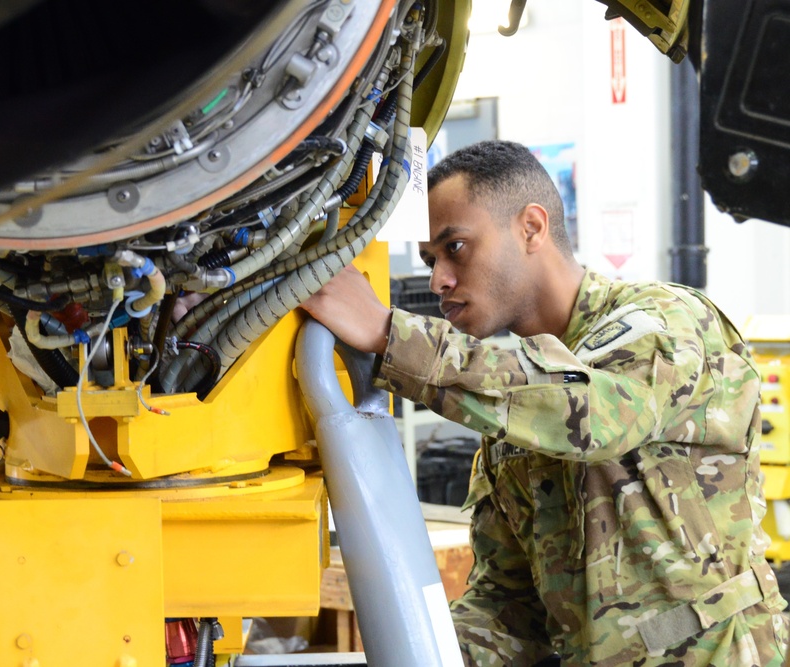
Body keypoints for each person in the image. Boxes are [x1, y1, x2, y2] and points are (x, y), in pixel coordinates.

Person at [301, 140, 788, 665]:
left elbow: (596, 416)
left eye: (455, 248)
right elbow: (510, 607)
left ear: (531, 227)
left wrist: (388, 335)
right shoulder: (513, 409)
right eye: (429, 260)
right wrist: (430, 653)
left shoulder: (663, 323)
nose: (438, 279)